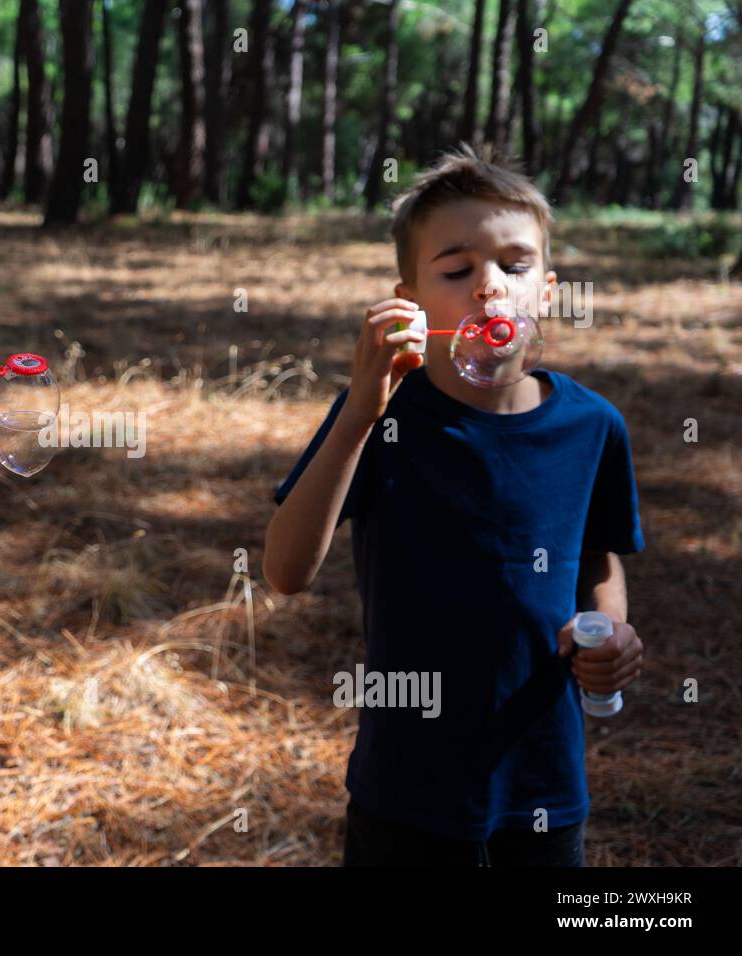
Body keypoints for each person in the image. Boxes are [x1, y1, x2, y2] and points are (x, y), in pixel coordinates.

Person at [263, 145, 645, 866]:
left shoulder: (592, 427)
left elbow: (597, 558)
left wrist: (611, 632)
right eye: (456, 268)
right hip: (406, 791)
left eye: (514, 264)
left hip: (544, 785)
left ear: (548, 293)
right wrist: (359, 414)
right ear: (407, 299)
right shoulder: (381, 418)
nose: (488, 287)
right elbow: (285, 570)